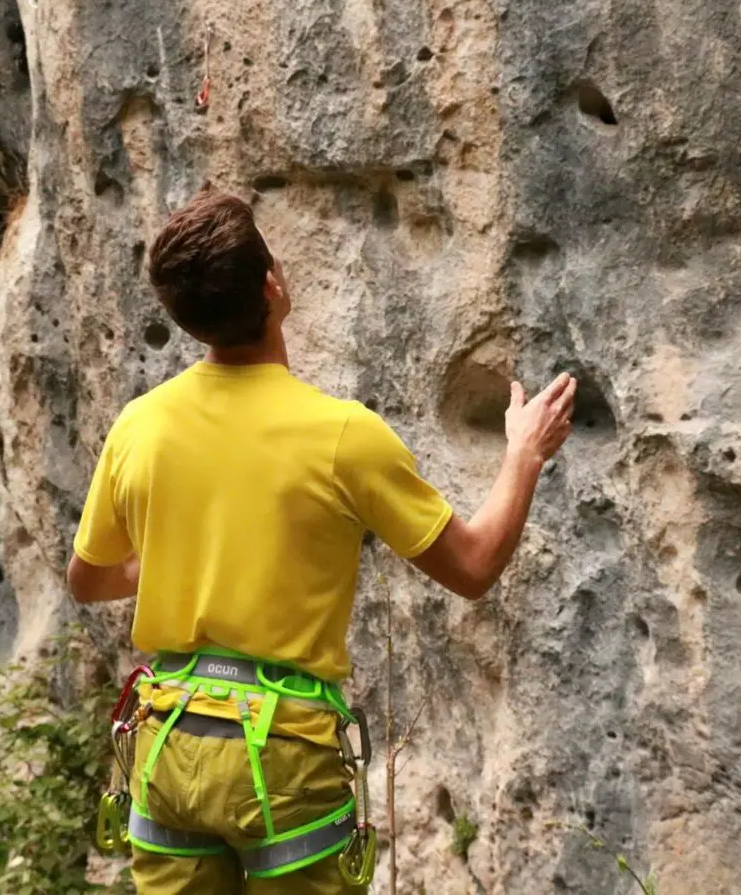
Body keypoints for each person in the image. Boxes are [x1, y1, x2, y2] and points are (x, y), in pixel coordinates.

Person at [67, 190, 576, 895]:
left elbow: (88, 580)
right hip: (282, 752)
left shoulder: (139, 425)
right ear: (273, 285)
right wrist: (523, 455)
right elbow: (473, 564)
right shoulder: (341, 436)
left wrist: (191, 556)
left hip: (169, 738)